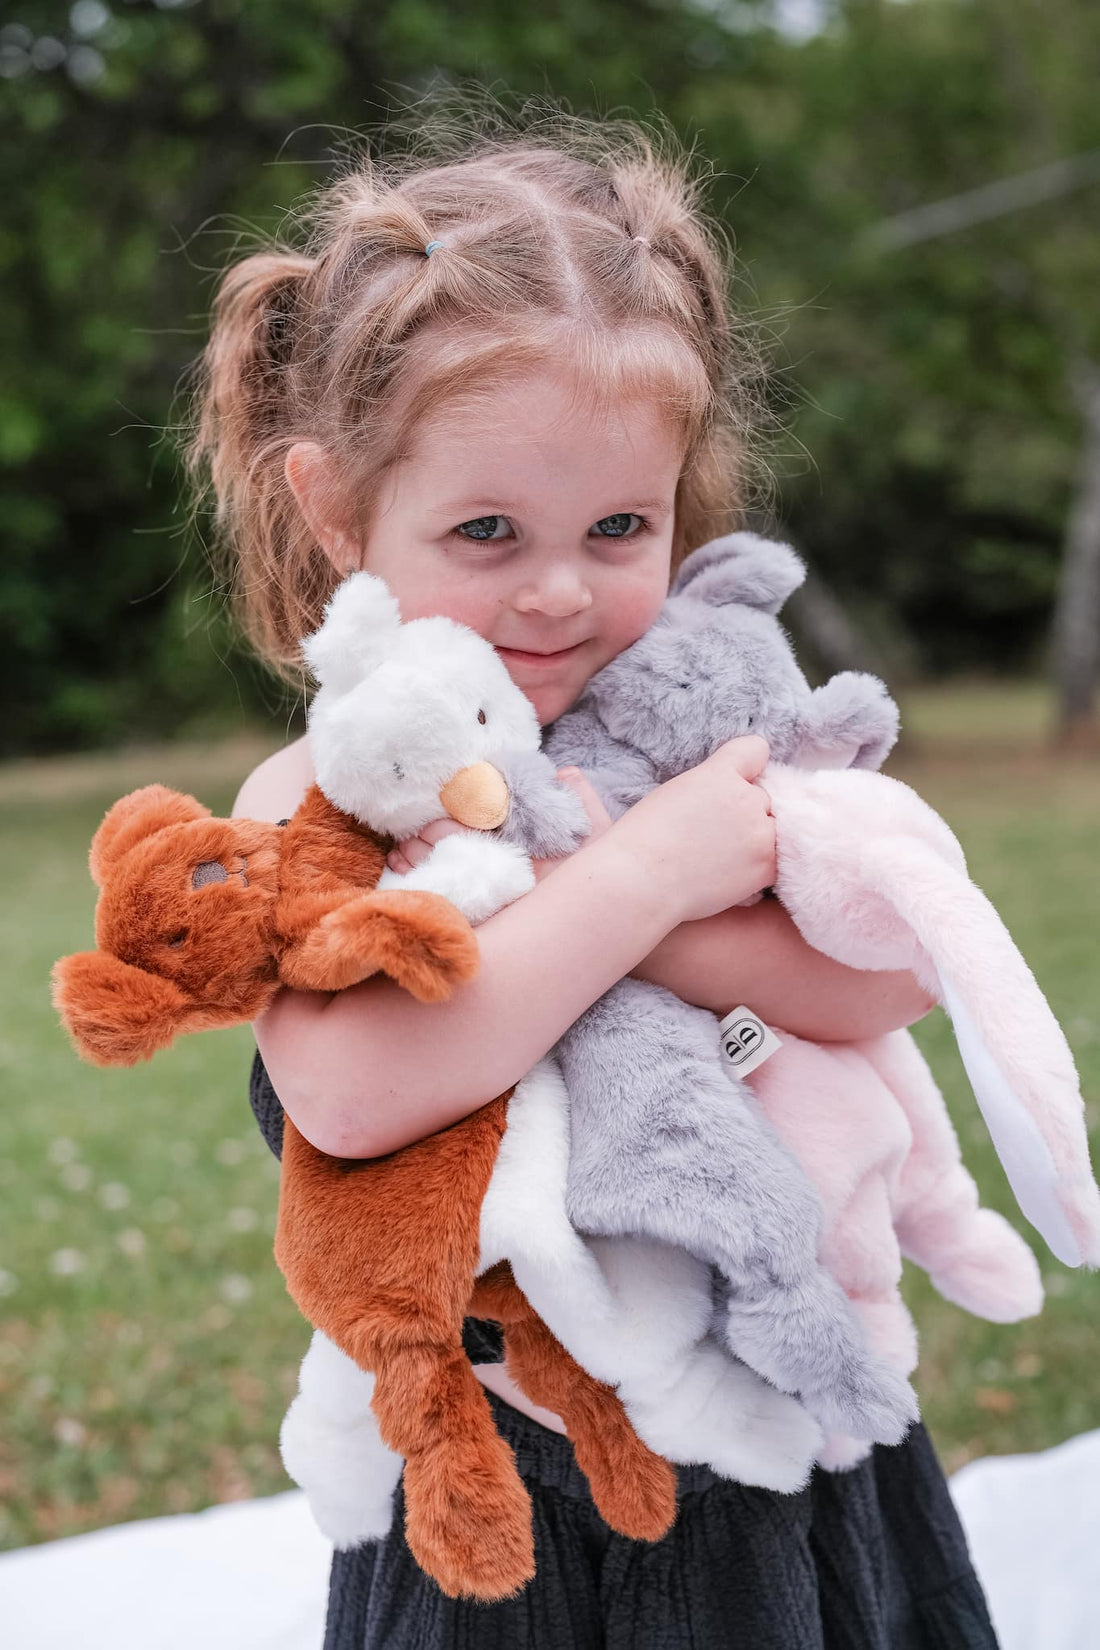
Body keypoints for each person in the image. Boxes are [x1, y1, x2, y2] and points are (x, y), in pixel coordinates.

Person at [188, 109, 999, 1648]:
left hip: (783, 1449)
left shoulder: (719, 737)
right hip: (516, 1498)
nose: (560, 587)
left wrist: (681, 906)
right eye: (487, 529)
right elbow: (358, 1093)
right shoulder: (321, 799)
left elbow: (899, 969)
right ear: (334, 506)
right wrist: (650, 885)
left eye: (619, 524)